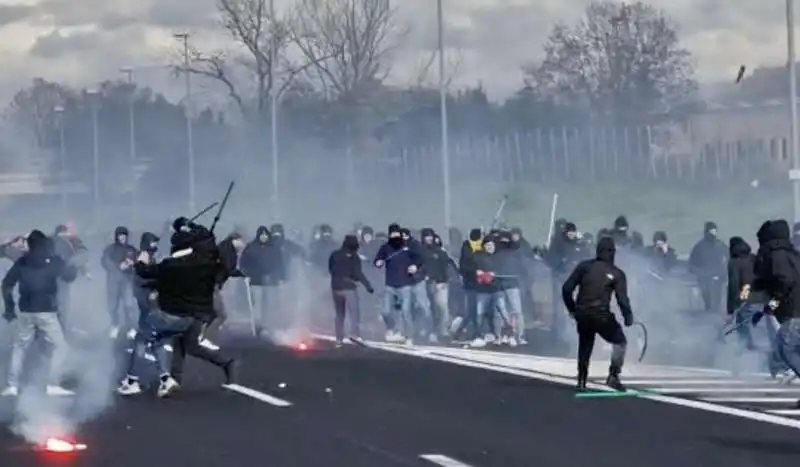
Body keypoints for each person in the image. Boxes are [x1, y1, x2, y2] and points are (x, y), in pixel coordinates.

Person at [134, 218, 237, 397]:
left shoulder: (171, 265)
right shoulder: (206, 261)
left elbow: (146, 272)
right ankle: (178, 379)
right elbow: (208, 239)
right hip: (200, 312)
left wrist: (140, 262)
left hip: (181, 313)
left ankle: (174, 378)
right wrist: (188, 224)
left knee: (155, 335)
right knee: (186, 345)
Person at [1, 230, 78, 396]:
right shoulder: (53, 261)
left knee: (20, 347)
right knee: (62, 347)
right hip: (46, 312)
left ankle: (12, 386)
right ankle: (52, 383)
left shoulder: (22, 262)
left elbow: (6, 284)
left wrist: (9, 308)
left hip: (25, 312)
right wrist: (73, 267)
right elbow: (69, 276)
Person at [561, 237, 634, 392]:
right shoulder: (617, 273)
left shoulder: (584, 266)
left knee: (585, 343)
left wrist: (573, 310)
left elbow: (566, 289)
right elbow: (622, 300)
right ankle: (613, 376)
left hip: (582, 312)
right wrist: (628, 317)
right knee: (620, 342)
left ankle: (581, 380)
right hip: (600, 315)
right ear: (613, 253)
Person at [328, 234, 373, 347]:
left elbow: (331, 269)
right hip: (349, 288)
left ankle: (339, 339)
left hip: (336, 287)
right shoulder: (354, 257)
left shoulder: (334, 254)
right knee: (354, 312)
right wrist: (368, 286)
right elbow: (358, 273)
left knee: (339, 313)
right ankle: (355, 334)